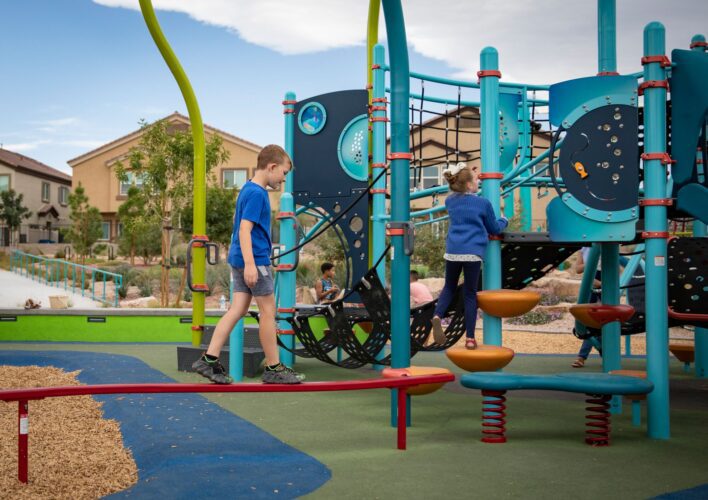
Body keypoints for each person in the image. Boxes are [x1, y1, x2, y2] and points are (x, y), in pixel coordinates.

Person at [192, 145, 304, 384]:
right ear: (272, 167)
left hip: (239, 258)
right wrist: (252, 264)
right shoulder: (257, 193)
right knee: (267, 312)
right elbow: (244, 229)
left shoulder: (246, 189)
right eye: (283, 173)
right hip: (253, 259)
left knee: (237, 309)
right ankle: (274, 368)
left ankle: (209, 360)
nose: (283, 179)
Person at [430, 162, 508, 349]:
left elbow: (462, 193)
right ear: (469, 185)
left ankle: (437, 315)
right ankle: (470, 339)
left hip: (453, 251)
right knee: (470, 294)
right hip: (472, 252)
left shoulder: (450, 201)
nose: (478, 182)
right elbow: (494, 228)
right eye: (475, 180)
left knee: (449, 287)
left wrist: (469, 174)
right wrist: (504, 219)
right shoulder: (483, 203)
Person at [572, 246, 603, 368]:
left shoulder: (604, 245)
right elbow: (578, 269)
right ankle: (599, 353)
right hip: (590, 283)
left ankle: (582, 357)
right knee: (589, 322)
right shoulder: (583, 248)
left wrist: (600, 283)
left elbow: (611, 270)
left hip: (602, 282)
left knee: (600, 322)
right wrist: (590, 264)